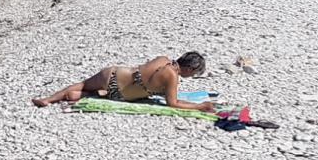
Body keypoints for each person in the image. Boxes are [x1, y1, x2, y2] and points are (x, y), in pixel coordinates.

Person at [32, 52, 213, 109]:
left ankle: (48, 99)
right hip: (121, 94)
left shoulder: (163, 59)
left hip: (114, 74)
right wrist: (200, 106)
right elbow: (173, 103)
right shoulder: (172, 77)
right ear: (189, 69)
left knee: (82, 84)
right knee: (109, 94)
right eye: (194, 73)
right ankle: (83, 94)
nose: (192, 76)